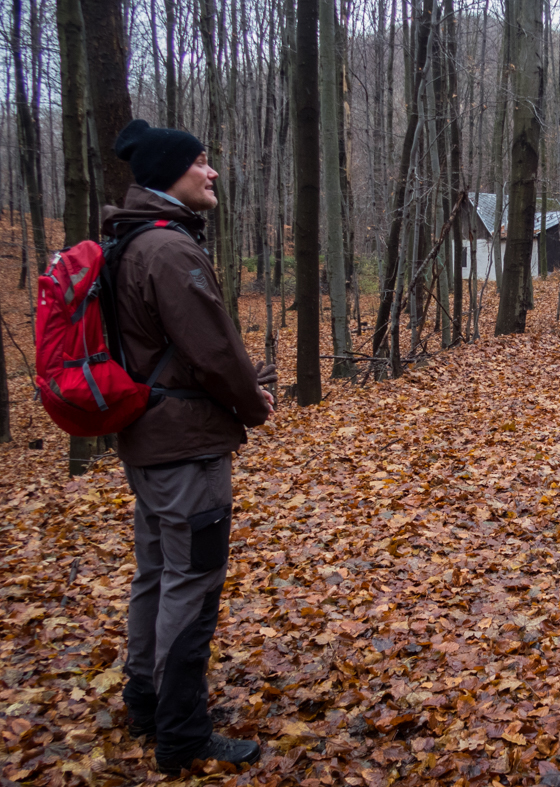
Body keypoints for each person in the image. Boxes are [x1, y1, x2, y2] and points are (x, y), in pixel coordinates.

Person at [103, 119, 276, 774]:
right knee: (192, 585)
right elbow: (214, 352)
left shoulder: (129, 241)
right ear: (169, 173)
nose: (211, 173)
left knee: (157, 574)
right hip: (185, 451)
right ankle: (181, 729)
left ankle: (147, 699)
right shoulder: (169, 252)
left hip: (151, 443)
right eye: (200, 162)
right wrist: (251, 400)